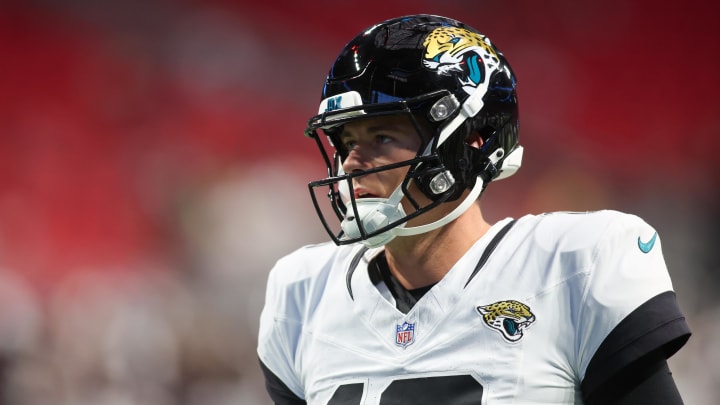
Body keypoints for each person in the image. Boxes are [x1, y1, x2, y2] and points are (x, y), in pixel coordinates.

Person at [257, 14, 691, 404]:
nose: (351, 162)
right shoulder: (304, 294)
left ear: (469, 141)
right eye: (347, 143)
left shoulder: (575, 265)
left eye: (381, 138)